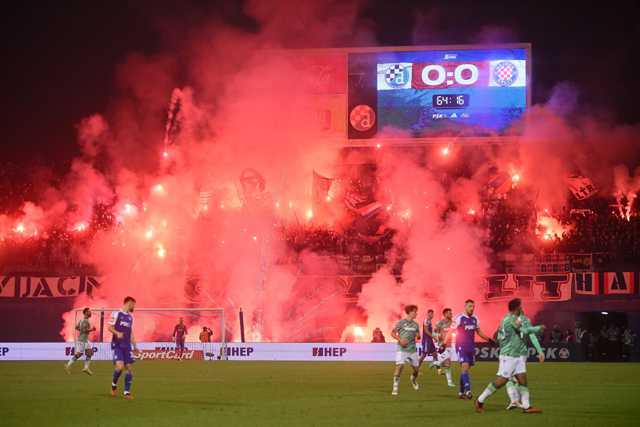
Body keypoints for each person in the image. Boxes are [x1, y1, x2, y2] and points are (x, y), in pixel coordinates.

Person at [475, 298, 545, 414]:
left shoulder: (518, 318)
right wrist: (538, 328)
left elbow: (528, 333)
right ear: (517, 307)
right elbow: (524, 330)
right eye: (520, 306)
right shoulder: (510, 320)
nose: (522, 308)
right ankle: (479, 401)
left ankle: (527, 407)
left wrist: (540, 351)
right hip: (510, 355)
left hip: (518, 355)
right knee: (501, 381)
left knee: (523, 380)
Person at [454, 299, 494, 399]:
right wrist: (444, 343)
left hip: (471, 347)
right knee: (464, 366)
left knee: (465, 370)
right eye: (470, 306)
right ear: (465, 306)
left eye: (473, 307)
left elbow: (479, 332)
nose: (472, 309)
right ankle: (468, 391)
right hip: (461, 346)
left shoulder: (475, 318)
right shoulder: (459, 318)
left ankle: (461, 392)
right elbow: (451, 331)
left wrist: (489, 339)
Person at [109, 296, 139, 399]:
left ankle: (127, 393)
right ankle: (113, 385)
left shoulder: (130, 317)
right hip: (117, 345)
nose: (134, 306)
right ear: (129, 303)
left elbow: (131, 333)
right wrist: (117, 333)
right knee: (120, 367)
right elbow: (109, 327)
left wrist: (135, 346)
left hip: (127, 346)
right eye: (133, 304)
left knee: (129, 369)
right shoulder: (116, 313)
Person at [390, 305, 421, 396]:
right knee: (400, 366)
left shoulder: (416, 324)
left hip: (412, 350)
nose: (416, 313)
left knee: (416, 370)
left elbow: (418, 334)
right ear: (410, 312)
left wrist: (418, 336)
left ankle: (413, 379)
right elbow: (392, 333)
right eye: (415, 311)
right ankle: (395, 387)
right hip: (402, 349)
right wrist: (400, 340)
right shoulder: (401, 322)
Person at [65, 307, 96, 375]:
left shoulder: (81, 320)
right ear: (85, 313)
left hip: (84, 340)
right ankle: (68, 365)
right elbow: (84, 330)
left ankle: (86, 368)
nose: (90, 313)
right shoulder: (85, 321)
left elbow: (76, 327)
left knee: (90, 353)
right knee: (79, 354)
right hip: (82, 340)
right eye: (89, 311)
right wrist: (92, 329)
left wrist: (82, 331)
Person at [434, 308, 456, 388]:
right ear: (445, 314)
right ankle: (449, 382)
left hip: (449, 345)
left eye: (451, 313)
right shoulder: (440, 323)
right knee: (447, 362)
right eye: (450, 313)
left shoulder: (453, 323)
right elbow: (434, 332)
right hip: (442, 345)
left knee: (447, 364)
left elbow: (455, 331)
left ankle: (436, 363)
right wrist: (437, 337)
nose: (451, 314)